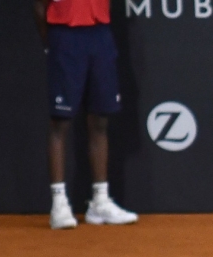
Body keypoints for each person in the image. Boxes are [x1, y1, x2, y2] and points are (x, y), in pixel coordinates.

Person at [33, 0, 138, 229]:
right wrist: (52, 44)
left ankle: (100, 201)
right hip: (65, 36)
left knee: (100, 120)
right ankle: (59, 204)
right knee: (60, 122)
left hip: (100, 35)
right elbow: (40, 6)